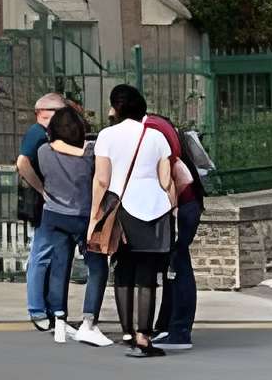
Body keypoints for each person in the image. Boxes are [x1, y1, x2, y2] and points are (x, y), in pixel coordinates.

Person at [91, 83, 176, 357]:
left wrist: (94, 217)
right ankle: (144, 337)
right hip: (153, 208)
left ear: (116, 107)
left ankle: (127, 331)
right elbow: (166, 180)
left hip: (120, 207)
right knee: (148, 276)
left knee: (123, 270)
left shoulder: (106, 136)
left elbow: (102, 179)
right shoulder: (156, 137)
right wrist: (171, 208)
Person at [32, 104, 112, 345]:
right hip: (84, 215)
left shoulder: (43, 151)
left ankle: (59, 319)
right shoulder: (90, 153)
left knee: (59, 267)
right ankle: (89, 320)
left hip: (54, 215)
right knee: (97, 267)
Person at [147, 104, 202, 349]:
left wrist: (170, 209)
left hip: (180, 205)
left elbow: (167, 174)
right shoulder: (157, 124)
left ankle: (179, 332)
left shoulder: (151, 128)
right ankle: (167, 325)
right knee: (172, 268)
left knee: (178, 267)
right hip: (186, 202)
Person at [19, 92, 70, 332]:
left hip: (50, 202)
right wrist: (41, 189)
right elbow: (22, 163)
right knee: (40, 256)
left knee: (48, 256)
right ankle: (37, 309)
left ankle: (48, 308)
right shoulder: (36, 133)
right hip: (43, 203)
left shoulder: (47, 134)